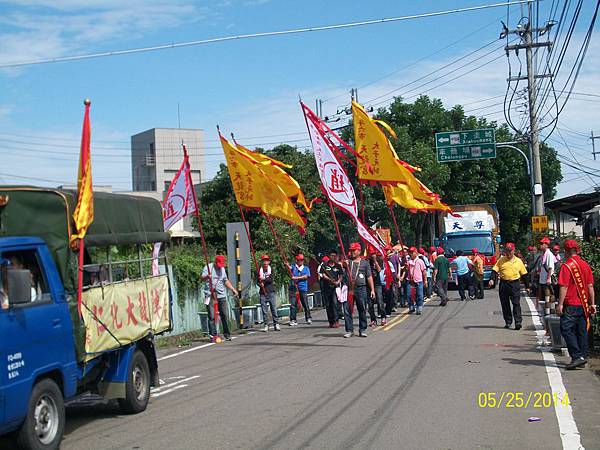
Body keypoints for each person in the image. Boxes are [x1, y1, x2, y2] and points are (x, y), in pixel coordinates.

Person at [556, 240, 596, 370]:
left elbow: (564, 286)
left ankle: (577, 356)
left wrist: (560, 304)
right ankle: (583, 356)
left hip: (571, 304)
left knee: (565, 329)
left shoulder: (567, 266)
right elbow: (590, 286)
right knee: (581, 331)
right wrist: (592, 304)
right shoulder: (585, 265)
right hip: (583, 305)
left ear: (566, 251)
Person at [489, 243, 527, 330]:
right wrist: (491, 279)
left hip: (514, 284)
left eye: (510, 251)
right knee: (505, 304)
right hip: (504, 284)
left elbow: (524, 274)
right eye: (507, 251)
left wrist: (527, 286)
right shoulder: (501, 260)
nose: (508, 253)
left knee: (516, 303)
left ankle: (518, 322)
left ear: (513, 251)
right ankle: (508, 322)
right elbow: (494, 270)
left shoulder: (518, 261)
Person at [202, 255, 239, 342]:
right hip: (210, 294)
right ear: (215, 262)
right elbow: (202, 278)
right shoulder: (208, 267)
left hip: (221, 295)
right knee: (211, 316)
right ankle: (213, 335)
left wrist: (232, 289)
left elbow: (225, 280)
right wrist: (207, 277)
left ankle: (227, 334)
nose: (220, 266)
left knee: (224, 315)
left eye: (221, 264)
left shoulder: (222, 269)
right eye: (218, 264)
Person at [344, 242, 375, 338]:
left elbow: (369, 277)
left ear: (359, 251)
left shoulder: (365, 263)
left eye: (354, 250)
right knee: (347, 310)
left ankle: (362, 329)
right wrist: (343, 265)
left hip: (361, 289)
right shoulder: (347, 262)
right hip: (349, 289)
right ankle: (349, 330)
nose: (352, 252)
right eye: (351, 250)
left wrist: (372, 290)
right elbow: (340, 268)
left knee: (362, 309)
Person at [319, 249, 343, 328]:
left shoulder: (338, 266)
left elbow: (341, 275)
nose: (333, 257)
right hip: (327, 288)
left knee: (335, 303)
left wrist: (338, 281)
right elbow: (323, 275)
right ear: (329, 256)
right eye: (332, 255)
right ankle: (331, 321)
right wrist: (329, 279)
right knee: (328, 305)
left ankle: (336, 321)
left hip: (335, 288)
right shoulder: (324, 265)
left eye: (335, 256)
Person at [258, 254, 280, 332]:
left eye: (267, 261)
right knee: (264, 310)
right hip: (262, 293)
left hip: (271, 291)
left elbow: (270, 279)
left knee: (273, 308)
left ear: (269, 262)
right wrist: (260, 283)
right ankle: (266, 324)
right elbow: (257, 280)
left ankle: (276, 323)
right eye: (264, 261)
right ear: (262, 262)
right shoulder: (258, 270)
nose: (265, 262)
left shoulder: (271, 270)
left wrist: (263, 280)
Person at [289, 253, 311, 326]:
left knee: (305, 303)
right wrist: (287, 265)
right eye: (299, 260)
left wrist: (296, 278)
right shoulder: (293, 267)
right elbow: (289, 268)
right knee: (293, 304)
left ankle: (308, 317)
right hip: (294, 288)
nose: (301, 261)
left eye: (302, 260)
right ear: (296, 260)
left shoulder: (306, 268)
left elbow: (306, 276)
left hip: (303, 288)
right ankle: (293, 319)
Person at [405, 247, 427, 315]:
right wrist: (406, 266)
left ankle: (419, 307)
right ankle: (411, 307)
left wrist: (425, 280)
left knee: (419, 295)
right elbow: (406, 270)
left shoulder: (420, 261)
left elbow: (424, 271)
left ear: (416, 252)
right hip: (410, 280)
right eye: (410, 252)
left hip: (418, 280)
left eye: (412, 252)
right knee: (409, 295)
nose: (411, 254)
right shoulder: (408, 261)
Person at [537, 236, 555, 316]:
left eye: (542, 244)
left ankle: (549, 314)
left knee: (548, 297)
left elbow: (550, 268)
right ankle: (546, 312)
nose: (540, 245)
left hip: (547, 280)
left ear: (547, 245)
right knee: (544, 298)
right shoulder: (543, 254)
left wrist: (548, 279)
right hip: (542, 279)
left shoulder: (549, 254)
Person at [368, 250, 386, 327]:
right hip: (368, 284)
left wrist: (375, 261)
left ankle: (383, 317)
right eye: (371, 254)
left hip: (377, 283)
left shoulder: (379, 260)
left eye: (373, 254)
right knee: (370, 304)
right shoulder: (366, 262)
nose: (372, 255)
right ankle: (373, 319)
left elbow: (379, 270)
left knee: (379, 301)